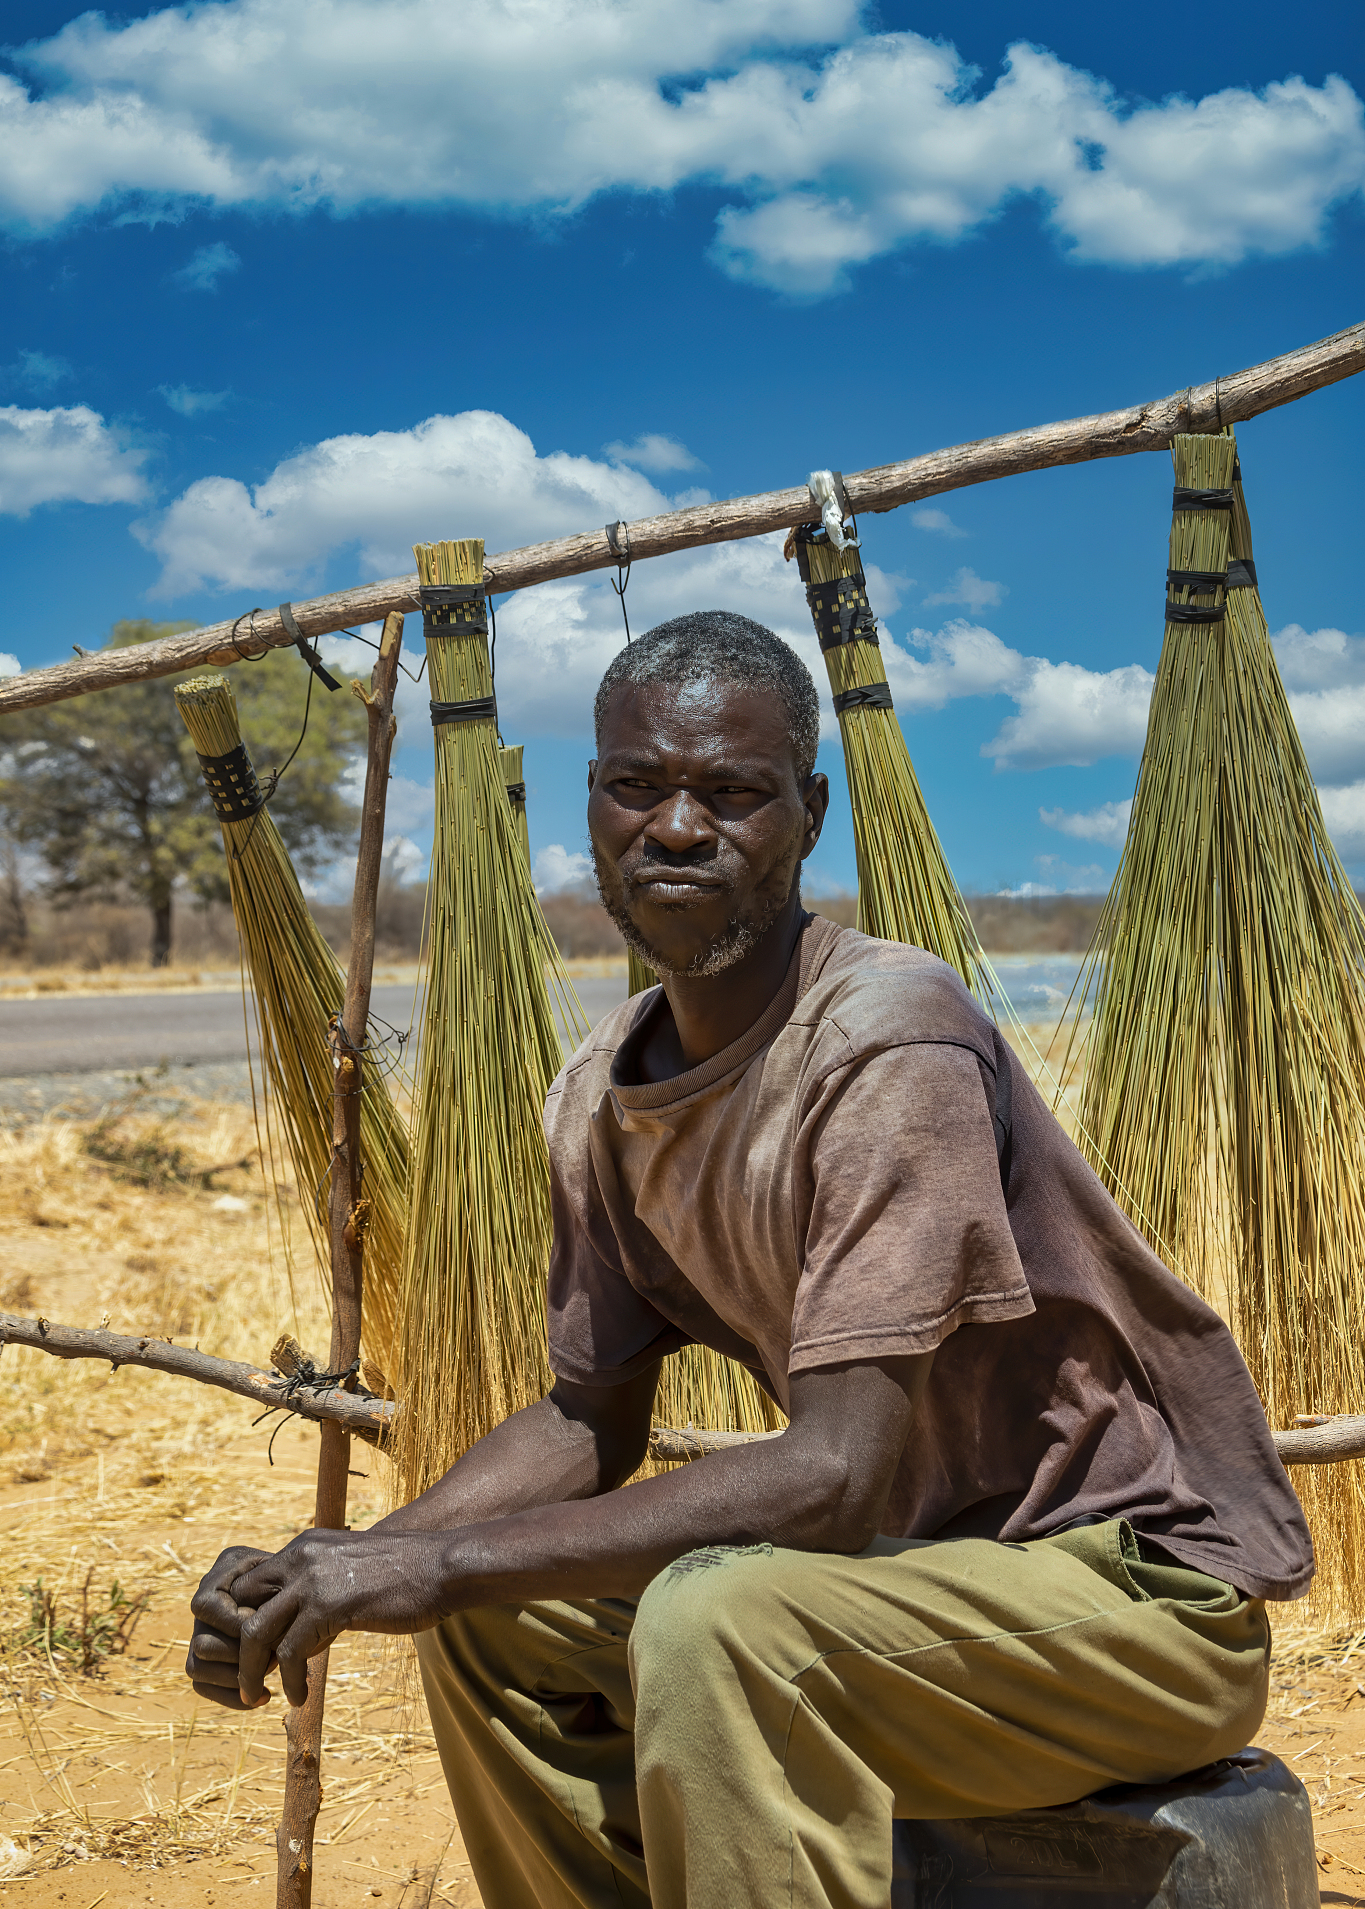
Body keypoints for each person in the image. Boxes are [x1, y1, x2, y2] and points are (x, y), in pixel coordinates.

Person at [188, 610, 1312, 1909]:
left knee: (716, 1614)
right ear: (593, 801)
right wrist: (346, 1563)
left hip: (1120, 1611)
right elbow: (581, 1419)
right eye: (635, 788)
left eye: (730, 793)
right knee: (505, 1618)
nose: (674, 829)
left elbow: (833, 1479)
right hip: (892, 1602)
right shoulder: (599, 1095)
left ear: (808, 811)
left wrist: (424, 1567)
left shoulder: (886, 1045)